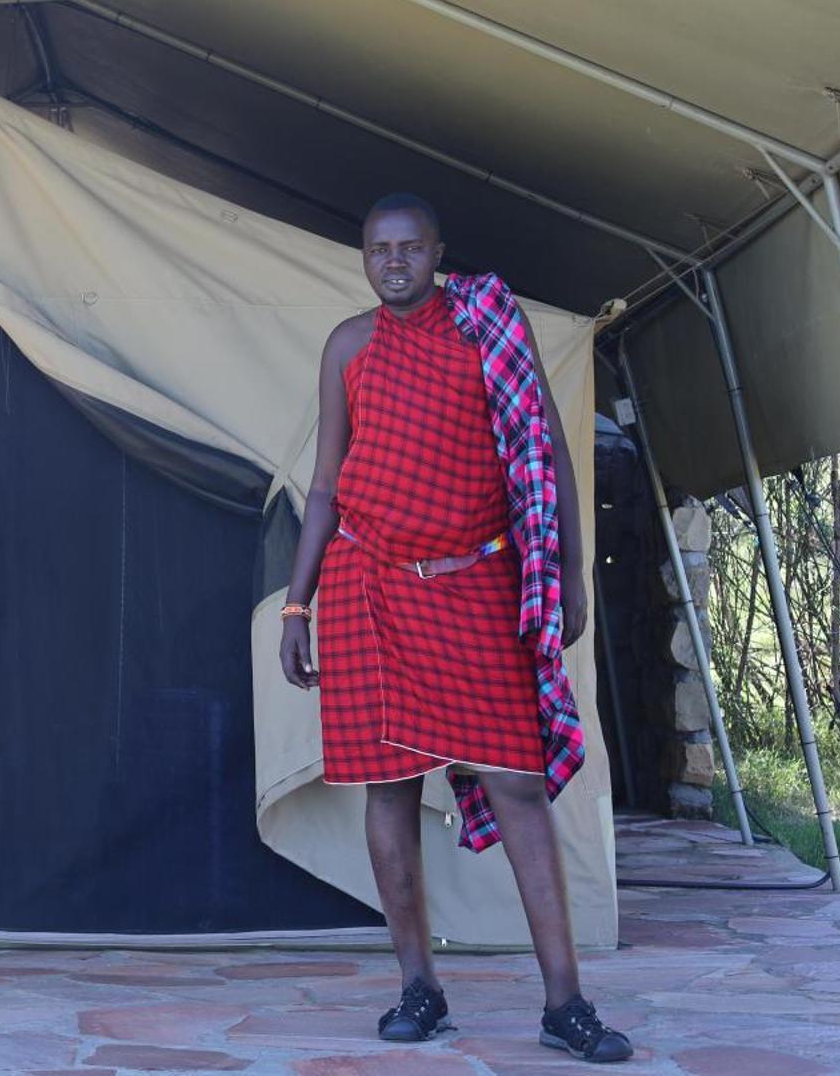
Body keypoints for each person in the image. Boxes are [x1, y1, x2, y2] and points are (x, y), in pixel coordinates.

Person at [277, 196, 632, 1063]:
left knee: (517, 785)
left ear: (439, 250)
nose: (393, 261)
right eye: (378, 249)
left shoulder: (488, 330)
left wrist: (569, 570)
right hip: (366, 591)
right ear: (364, 258)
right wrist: (297, 601)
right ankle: (420, 988)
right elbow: (325, 485)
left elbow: (547, 446)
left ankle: (565, 1002)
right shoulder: (348, 346)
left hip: (477, 582)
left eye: (409, 247)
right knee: (387, 789)